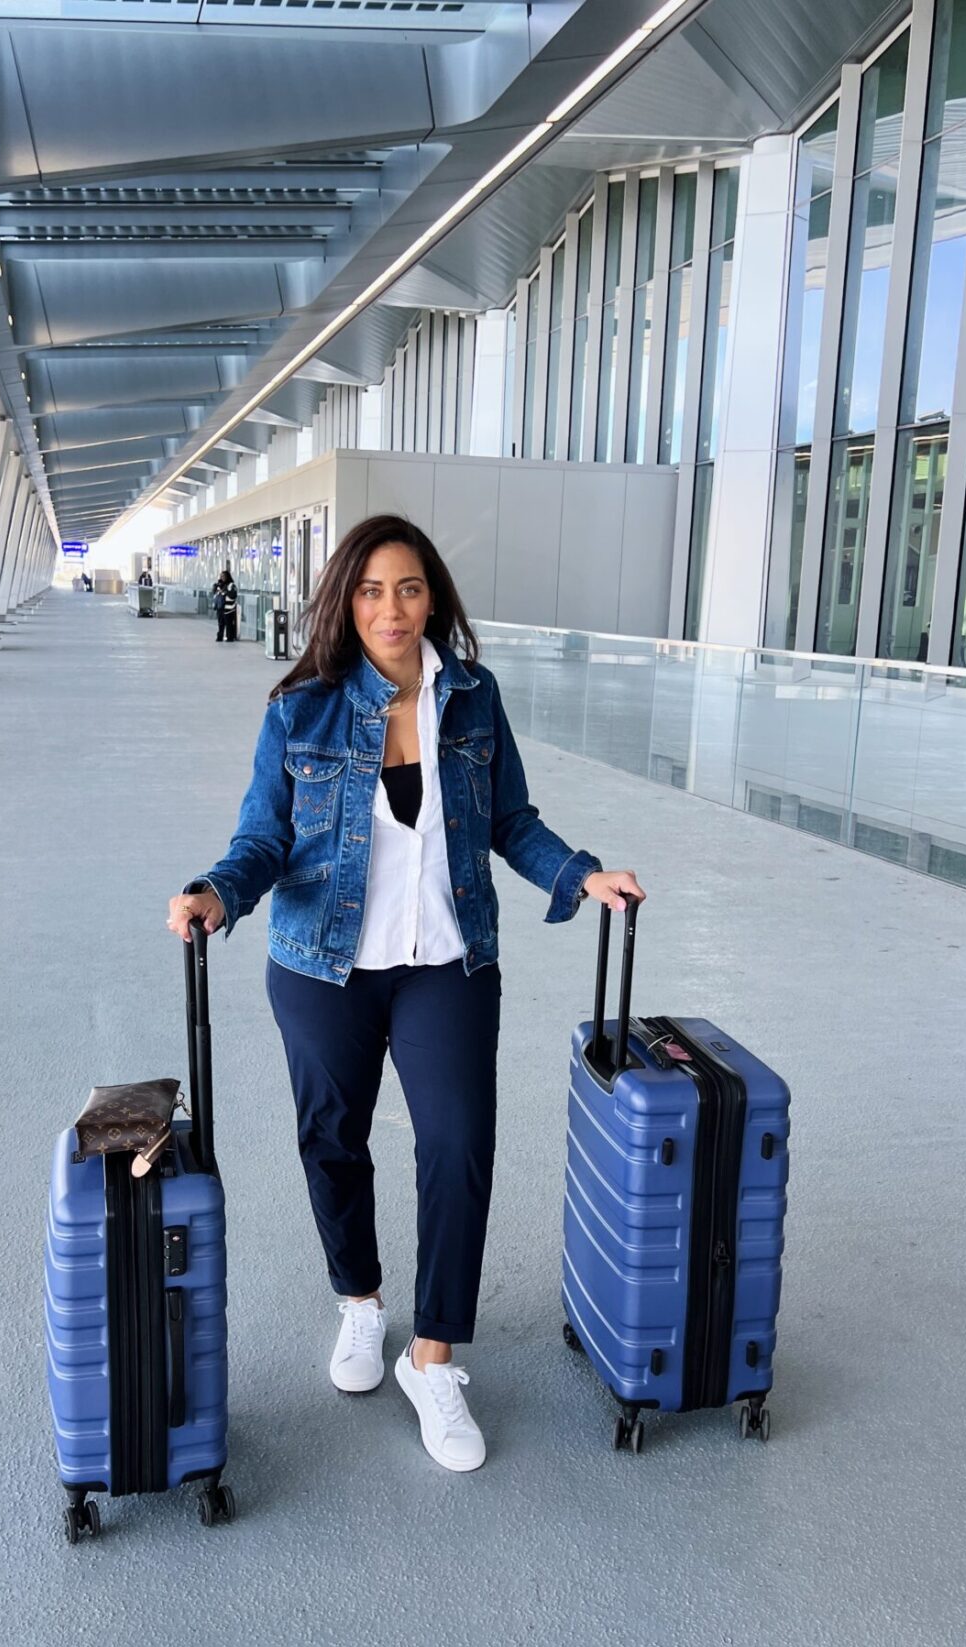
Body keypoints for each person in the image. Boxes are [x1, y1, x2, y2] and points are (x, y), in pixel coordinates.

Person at [167, 514, 644, 1473]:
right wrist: (218, 891)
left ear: (435, 599)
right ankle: (360, 1300)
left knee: (460, 1141)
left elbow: (510, 818)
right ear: (347, 600)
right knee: (332, 1138)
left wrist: (577, 874)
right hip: (321, 965)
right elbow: (265, 837)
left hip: (447, 962)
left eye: (411, 588)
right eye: (374, 589)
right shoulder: (300, 708)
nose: (393, 607)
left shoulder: (472, 697)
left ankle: (433, 1357)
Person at [212, 569, 239, 642]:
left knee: (229, 624)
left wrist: (225, 591)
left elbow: (233, 595)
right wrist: (216, 587)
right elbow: (214, 592)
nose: (222, 578)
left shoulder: (231, 585)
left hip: (228, 608)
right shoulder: (219, 585)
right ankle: (219, 637)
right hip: (220, 607)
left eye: (223, 576)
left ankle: (230, 637)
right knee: (221, 623)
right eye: (221, 576)